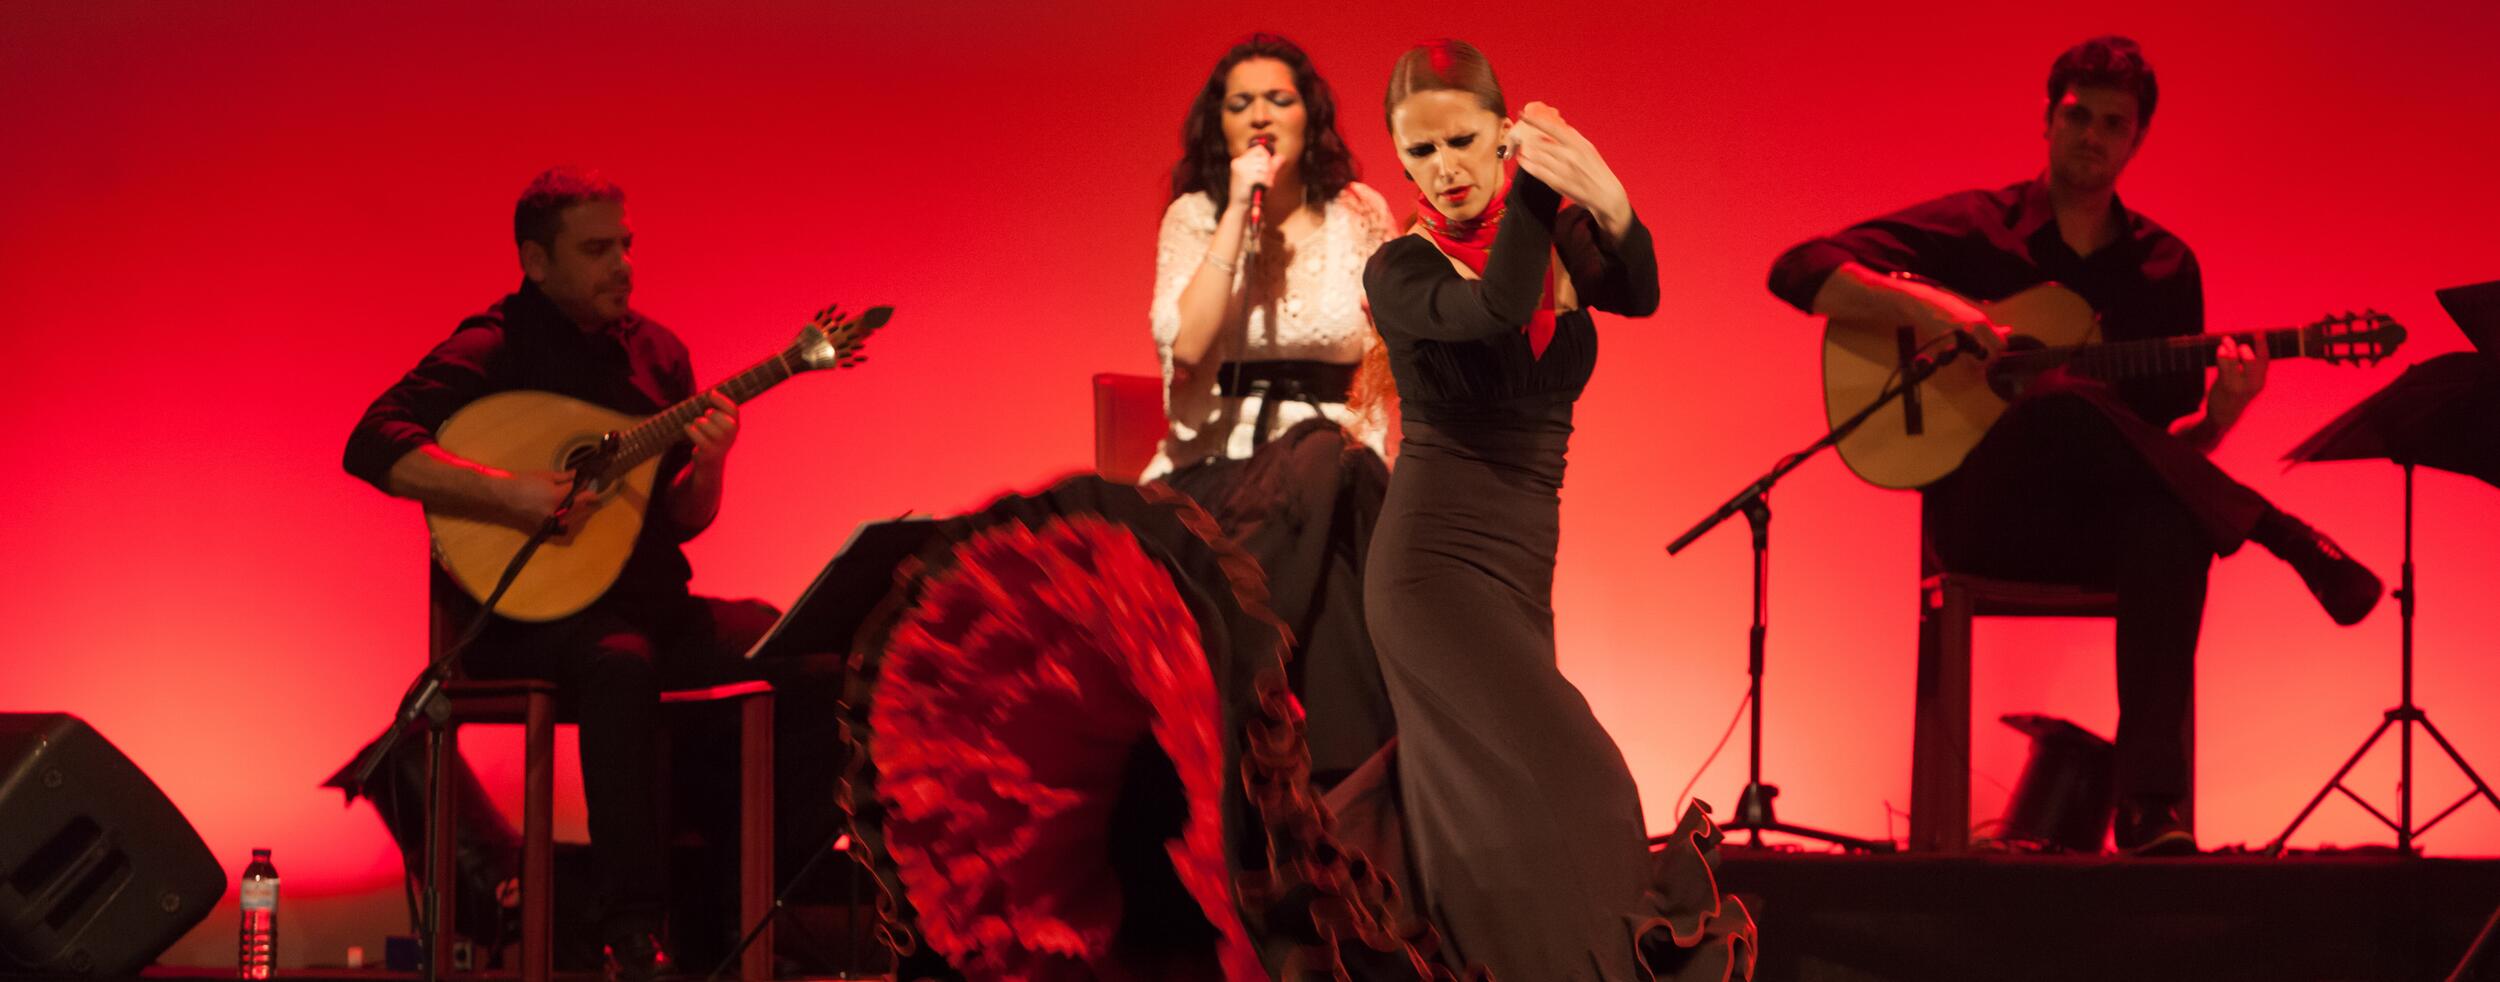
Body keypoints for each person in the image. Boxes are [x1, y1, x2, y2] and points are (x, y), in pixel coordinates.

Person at [1766, 36, 2382, 856]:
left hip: (2100, 531)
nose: (2092, 135)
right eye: (2077, 115)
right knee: (2056, 397)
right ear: (2048, 119)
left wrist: (2224, 414)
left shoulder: (2165, 268)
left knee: (2172, 524)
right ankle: (2277, 531)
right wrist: (1947, 315)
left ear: (2137, 139)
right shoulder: (1977, 230)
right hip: (1985, 516)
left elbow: (2169, 454)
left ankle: (2149, 810)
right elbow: (1797, 267)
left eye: (2113, 124)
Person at [1344, 38, 1753, 980]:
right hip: (1431, 575)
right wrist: (1536, 181)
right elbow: (1497, 306)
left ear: (1500, 131)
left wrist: (1611, 201)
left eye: (1461, 141)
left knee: (1502, 825)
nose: (1443, 168)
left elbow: (1640, 292)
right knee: (1584, 783)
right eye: (1419, 151)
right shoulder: (1399, 271)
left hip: (1521, 568)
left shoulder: (1556, 236)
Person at [343, 166, 778, 978]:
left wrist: (712, 466)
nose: (623, 265)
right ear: (536, 261)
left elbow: (677, 517)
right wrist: (509, 495)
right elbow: (370, 442)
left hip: (650, 603)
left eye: (626, 245)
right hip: (528, 622)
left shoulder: (659, 354)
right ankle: (634, 934)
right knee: (621, 664)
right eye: (597, 249)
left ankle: (739, 904)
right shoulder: (495, 347)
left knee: (794, 645)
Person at [1150, 33, 1398, 783]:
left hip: (1338, 473)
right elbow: (1189, 348)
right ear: (1219, 125)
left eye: (1278, 99)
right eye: (1241, 103)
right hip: (1219, 476)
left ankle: (1319, 779)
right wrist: (1235, 212)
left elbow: (1386, 361)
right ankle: (1316, 762)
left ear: (1308, 116)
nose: (1260, 115)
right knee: (1324, 463)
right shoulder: (1195, 216)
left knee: (1338, 483)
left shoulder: (1360, 213)